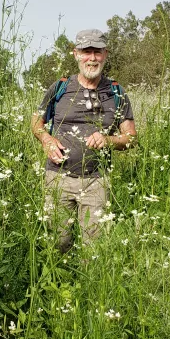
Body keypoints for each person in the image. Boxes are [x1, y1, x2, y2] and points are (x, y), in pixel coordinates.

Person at [30, 29, 137, 252]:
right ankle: (60, 285)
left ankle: (91, 286)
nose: (92, 58)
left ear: (105, 54)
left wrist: (107, 140)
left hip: (96, 181)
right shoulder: (59, 87)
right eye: (86, 51)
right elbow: (35, 124)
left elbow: (131, 137)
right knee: (57, 244)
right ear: (76, 54)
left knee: (94, 248)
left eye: (97, 52)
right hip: (58, 178)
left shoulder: (116, 92)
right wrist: (46, 139)